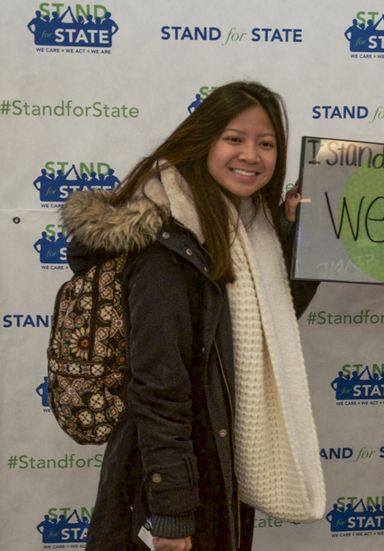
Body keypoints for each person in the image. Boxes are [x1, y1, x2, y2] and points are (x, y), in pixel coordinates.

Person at [61, 82, 325, 551]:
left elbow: (263, 323)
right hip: (169, 483)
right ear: (203, 140)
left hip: (217, 465)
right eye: (234, 138)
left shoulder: (242, 228)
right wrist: (172, 515)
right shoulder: (167, 245)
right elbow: (160, 388)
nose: (252, 154)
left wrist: (296, 237)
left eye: (266, 144)